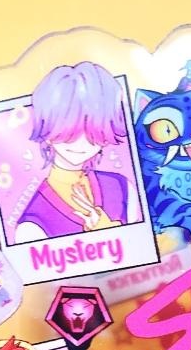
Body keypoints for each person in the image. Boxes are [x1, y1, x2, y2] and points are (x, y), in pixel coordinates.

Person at [15, 62, 134, 243]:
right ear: (47, 129)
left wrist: (108, 228)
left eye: (93, 133)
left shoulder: (121, 187)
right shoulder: (32, 222)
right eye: (69, 132)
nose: (81, 144)